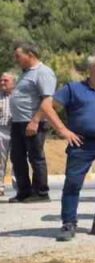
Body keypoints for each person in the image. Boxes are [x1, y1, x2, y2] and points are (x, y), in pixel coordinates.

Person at [44, 54, 95, 242]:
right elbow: (48, 107)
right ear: (91, 69)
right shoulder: (73, 89)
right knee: (73, 184)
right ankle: (68, 224)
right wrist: (63, 131)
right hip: (82, 145)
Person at [8, 43, 57, 203]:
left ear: (30, 54)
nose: (16, 59)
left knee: (36, 157)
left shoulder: (43, 72)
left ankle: (41, 192)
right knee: (17, 157)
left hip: (33, 122)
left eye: (18, 56)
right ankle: (24, 191)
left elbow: (47, 99)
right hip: (18, 122)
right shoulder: (26, 73)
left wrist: (35, 121)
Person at [0, 72, 12, 198]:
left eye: (6, 80)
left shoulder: (19, 96)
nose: (2, 82)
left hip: (17, 131)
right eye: (1, 80)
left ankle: (19, 188)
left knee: (18, 160)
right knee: (0, 160)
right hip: (1, 130)